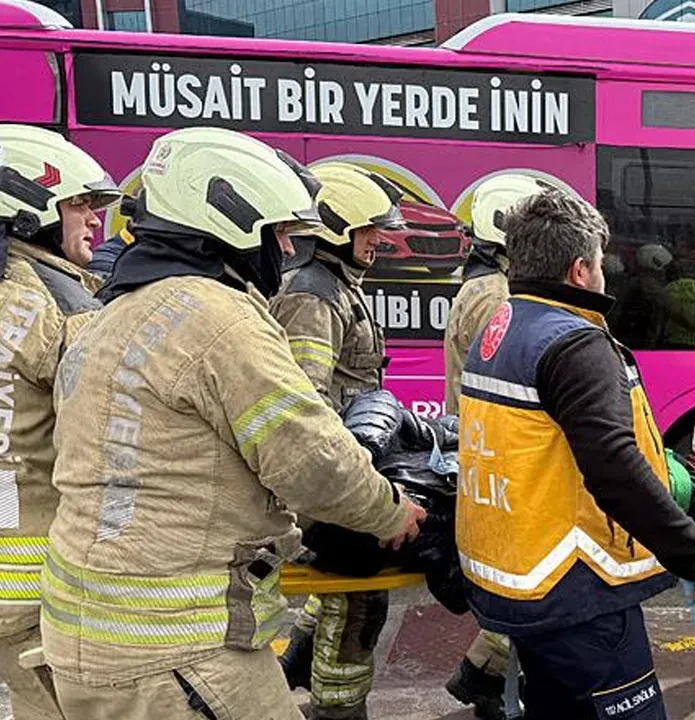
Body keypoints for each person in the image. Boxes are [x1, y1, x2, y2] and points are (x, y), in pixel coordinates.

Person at [39, 127, 425, 720]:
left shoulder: (109, 317)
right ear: (234, 225)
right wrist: (390, 512)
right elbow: (310, 457)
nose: (288, 251)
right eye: (281, 234)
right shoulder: (220, 319)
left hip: (87, 638)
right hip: (177, 652)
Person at [456, 189, 695, 720]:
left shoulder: (504, 328)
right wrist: (692, 556)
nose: (606, 275)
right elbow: (613, 466)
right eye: (600, 263)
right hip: (577, 590)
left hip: (520, 579)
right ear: (580, 270)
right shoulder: (575, 342)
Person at [268, 161, 407, 720]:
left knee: (344, 598)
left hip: (345, 469)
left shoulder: (334, 284)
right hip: (332, 482)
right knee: (358, 602)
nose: (379, 239)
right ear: (334, 226)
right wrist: (344, 492)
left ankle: (299, 661)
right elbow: (310, 407)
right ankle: (337, 709)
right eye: (370, 228)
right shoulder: (313, 296)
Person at [0, 124, 121, 720]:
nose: (95, 221)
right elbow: (113, 422)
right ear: (26, 207)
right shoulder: (53, 301)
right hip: (36, 576)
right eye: (79, 204)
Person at [442, 173, 544, 720]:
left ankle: (482, 675)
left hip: (489, 452)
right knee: (526, 584)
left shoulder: (480, 290)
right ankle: (488, 683)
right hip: (501, 457)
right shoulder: (495, 298)